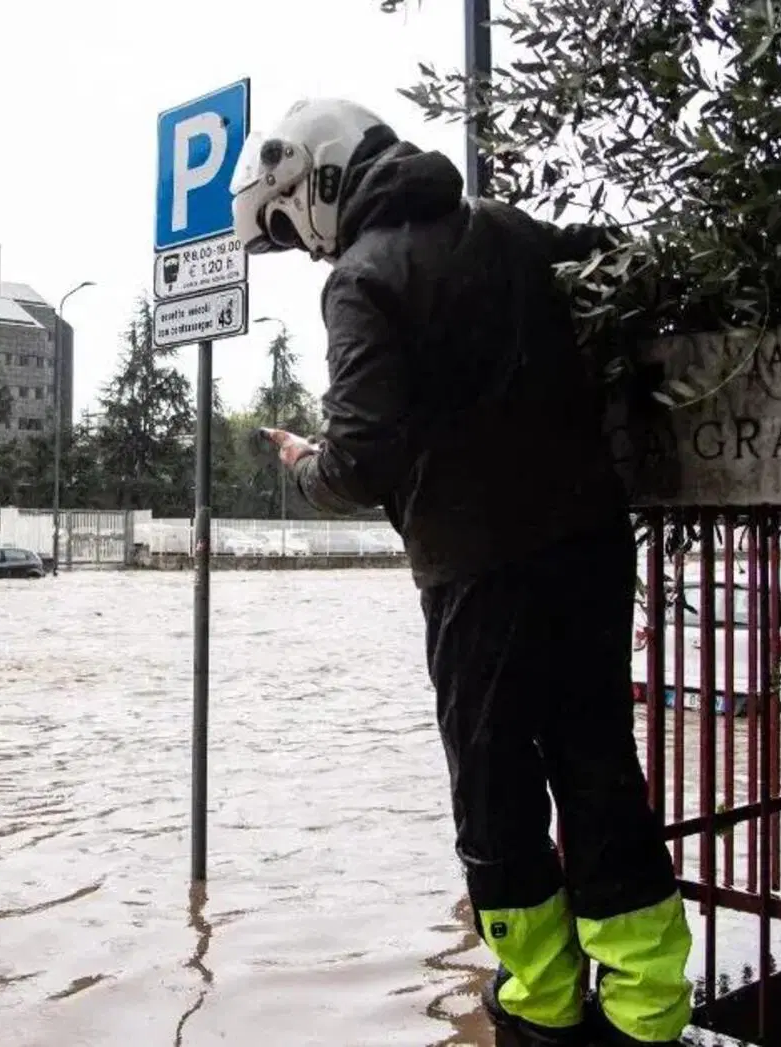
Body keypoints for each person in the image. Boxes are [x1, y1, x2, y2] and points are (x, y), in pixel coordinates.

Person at [231, 99, 694, 1046]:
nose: (301, 247)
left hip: (478, 574)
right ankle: (648, 1013)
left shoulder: (362, 281)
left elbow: (361, 458)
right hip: (590, 547)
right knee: (599, 760)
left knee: (496, 793)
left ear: (315, 176)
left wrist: (306, 467)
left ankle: (543, 1006)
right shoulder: (509, 231)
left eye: (285, 224)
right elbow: (620, 261)